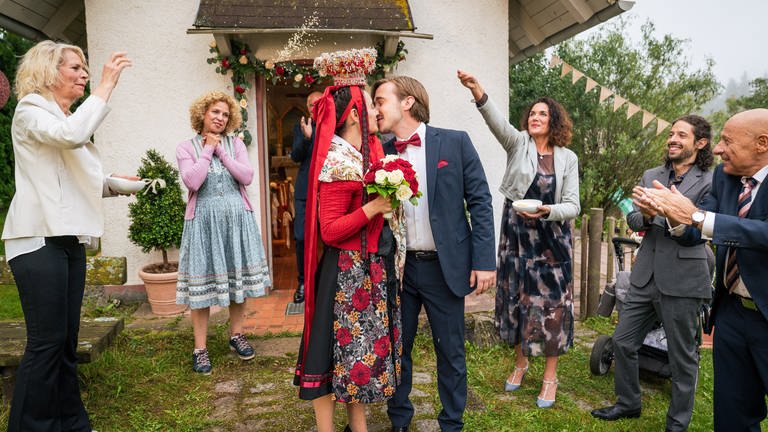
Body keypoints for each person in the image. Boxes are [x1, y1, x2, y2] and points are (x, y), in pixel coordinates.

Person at [1, 40, 131, 431]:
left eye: (85, 68)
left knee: (65, 344)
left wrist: (118, 185)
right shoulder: (30, 112)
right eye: (74, 68)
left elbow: (73, 181)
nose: (84, 74)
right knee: (46, 343)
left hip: (67, 240)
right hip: (36, 240)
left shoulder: (62, 119)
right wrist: (105, 86)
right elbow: (71, 136)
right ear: (47, 72)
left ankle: (72, 423)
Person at [374, 75, 496, 431]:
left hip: (445, 267)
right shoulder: (378, 151)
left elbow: (481, 202)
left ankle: (452, 422)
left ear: (407, 102)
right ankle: (399, 420)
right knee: (399, 349)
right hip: (398, 267)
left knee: (451, 351)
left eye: (381, 100)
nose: (375, 108)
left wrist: (484, 261)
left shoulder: (455, 143)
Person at [294, 49, 402, 432]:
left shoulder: (363, 155)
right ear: (355, 114)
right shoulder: (338, 163)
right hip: (343, 274)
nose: (376, 111)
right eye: (371, 104)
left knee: (358, 359)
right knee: (327, 357)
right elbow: (330, 231)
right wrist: (373, 209)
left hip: (366, 268)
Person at [640, 109, 768, 432]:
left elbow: (759, 233)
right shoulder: (724, 177)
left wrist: (696, 217)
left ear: (762, 144)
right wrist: (672, 213)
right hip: (732, 316)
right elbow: (696, 229)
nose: (720, 149)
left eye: (728, 141)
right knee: (732, 415)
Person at [458, 70, 579, 408]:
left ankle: (550, 377)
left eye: (543, 113)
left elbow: (573, 205)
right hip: (517, 240)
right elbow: (495, 121)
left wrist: (548, 211)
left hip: (553, 245)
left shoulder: (568, 158)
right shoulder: (518, 143)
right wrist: (478, 91)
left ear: (554, 120)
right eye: (532, 113)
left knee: (553, 309)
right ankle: (521, 362)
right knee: (517, 302)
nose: (535, 117)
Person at [590, 115, 715, 430]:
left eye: (681, 135)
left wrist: (671, 212)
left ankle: (677, 423)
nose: (672, 139)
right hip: (644, 276)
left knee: (683, 358)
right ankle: (628, 403)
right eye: (671, 134)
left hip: (684, 280)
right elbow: (632, 219)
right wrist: (645, 217)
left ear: (700, 143)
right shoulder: (651, 174)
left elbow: (704, 230)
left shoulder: (711, 182)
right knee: (622, 341)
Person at [176, 91, 271, 374]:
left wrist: (220, 151)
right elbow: (193, 182)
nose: (220, 118)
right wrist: (207, 149)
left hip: (237, 221)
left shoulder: (236, 144)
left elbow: (247, 176)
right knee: (200, 290)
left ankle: (237, 334)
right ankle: (200, 349)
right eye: (215, 112)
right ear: (202, 114)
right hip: (203, 223)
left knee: (237, 281)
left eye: (225, 114)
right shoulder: (185, 147)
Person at [290, 90, 322, 304]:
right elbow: (295, 156)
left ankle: (326, 282)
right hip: (304, 191)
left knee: (330, 238)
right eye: (311, 104)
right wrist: (307, 137)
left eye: (318, 104)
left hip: (328, 190)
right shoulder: (301, 126)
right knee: (302, 237)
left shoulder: (337, 126)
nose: (314, 107)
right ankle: (303, 282)